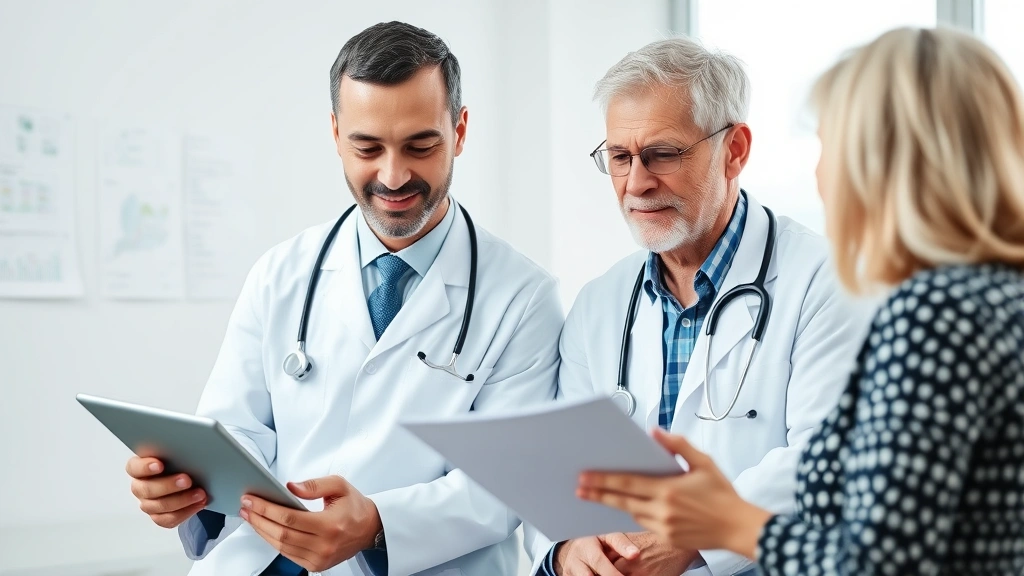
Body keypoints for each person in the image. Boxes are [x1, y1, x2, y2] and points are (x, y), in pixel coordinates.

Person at [577, 26, 1024, 575]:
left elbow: (875, 560)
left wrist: (722, 522)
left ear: (890, 164)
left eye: (833, 146)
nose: (820, 173)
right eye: (620, 156)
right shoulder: (999, 296)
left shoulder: (933, 314)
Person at [123, 21, 563, 576]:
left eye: (420, 145)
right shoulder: (280, 273)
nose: (393, 174)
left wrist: (377, 522)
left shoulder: (523, 299)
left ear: (460, 130)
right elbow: (235, 429)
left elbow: (508, 484)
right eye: (367, 147)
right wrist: (185, 486)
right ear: (335, 134)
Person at [524, 37, 872, 576]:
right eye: (619, 157)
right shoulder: (600, 304)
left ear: (734, 150)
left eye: (663, 154)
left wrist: (692, 536)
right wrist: (570, 551)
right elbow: (562, 471)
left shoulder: (824, 281)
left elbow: (824, 460)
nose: (637, 183)